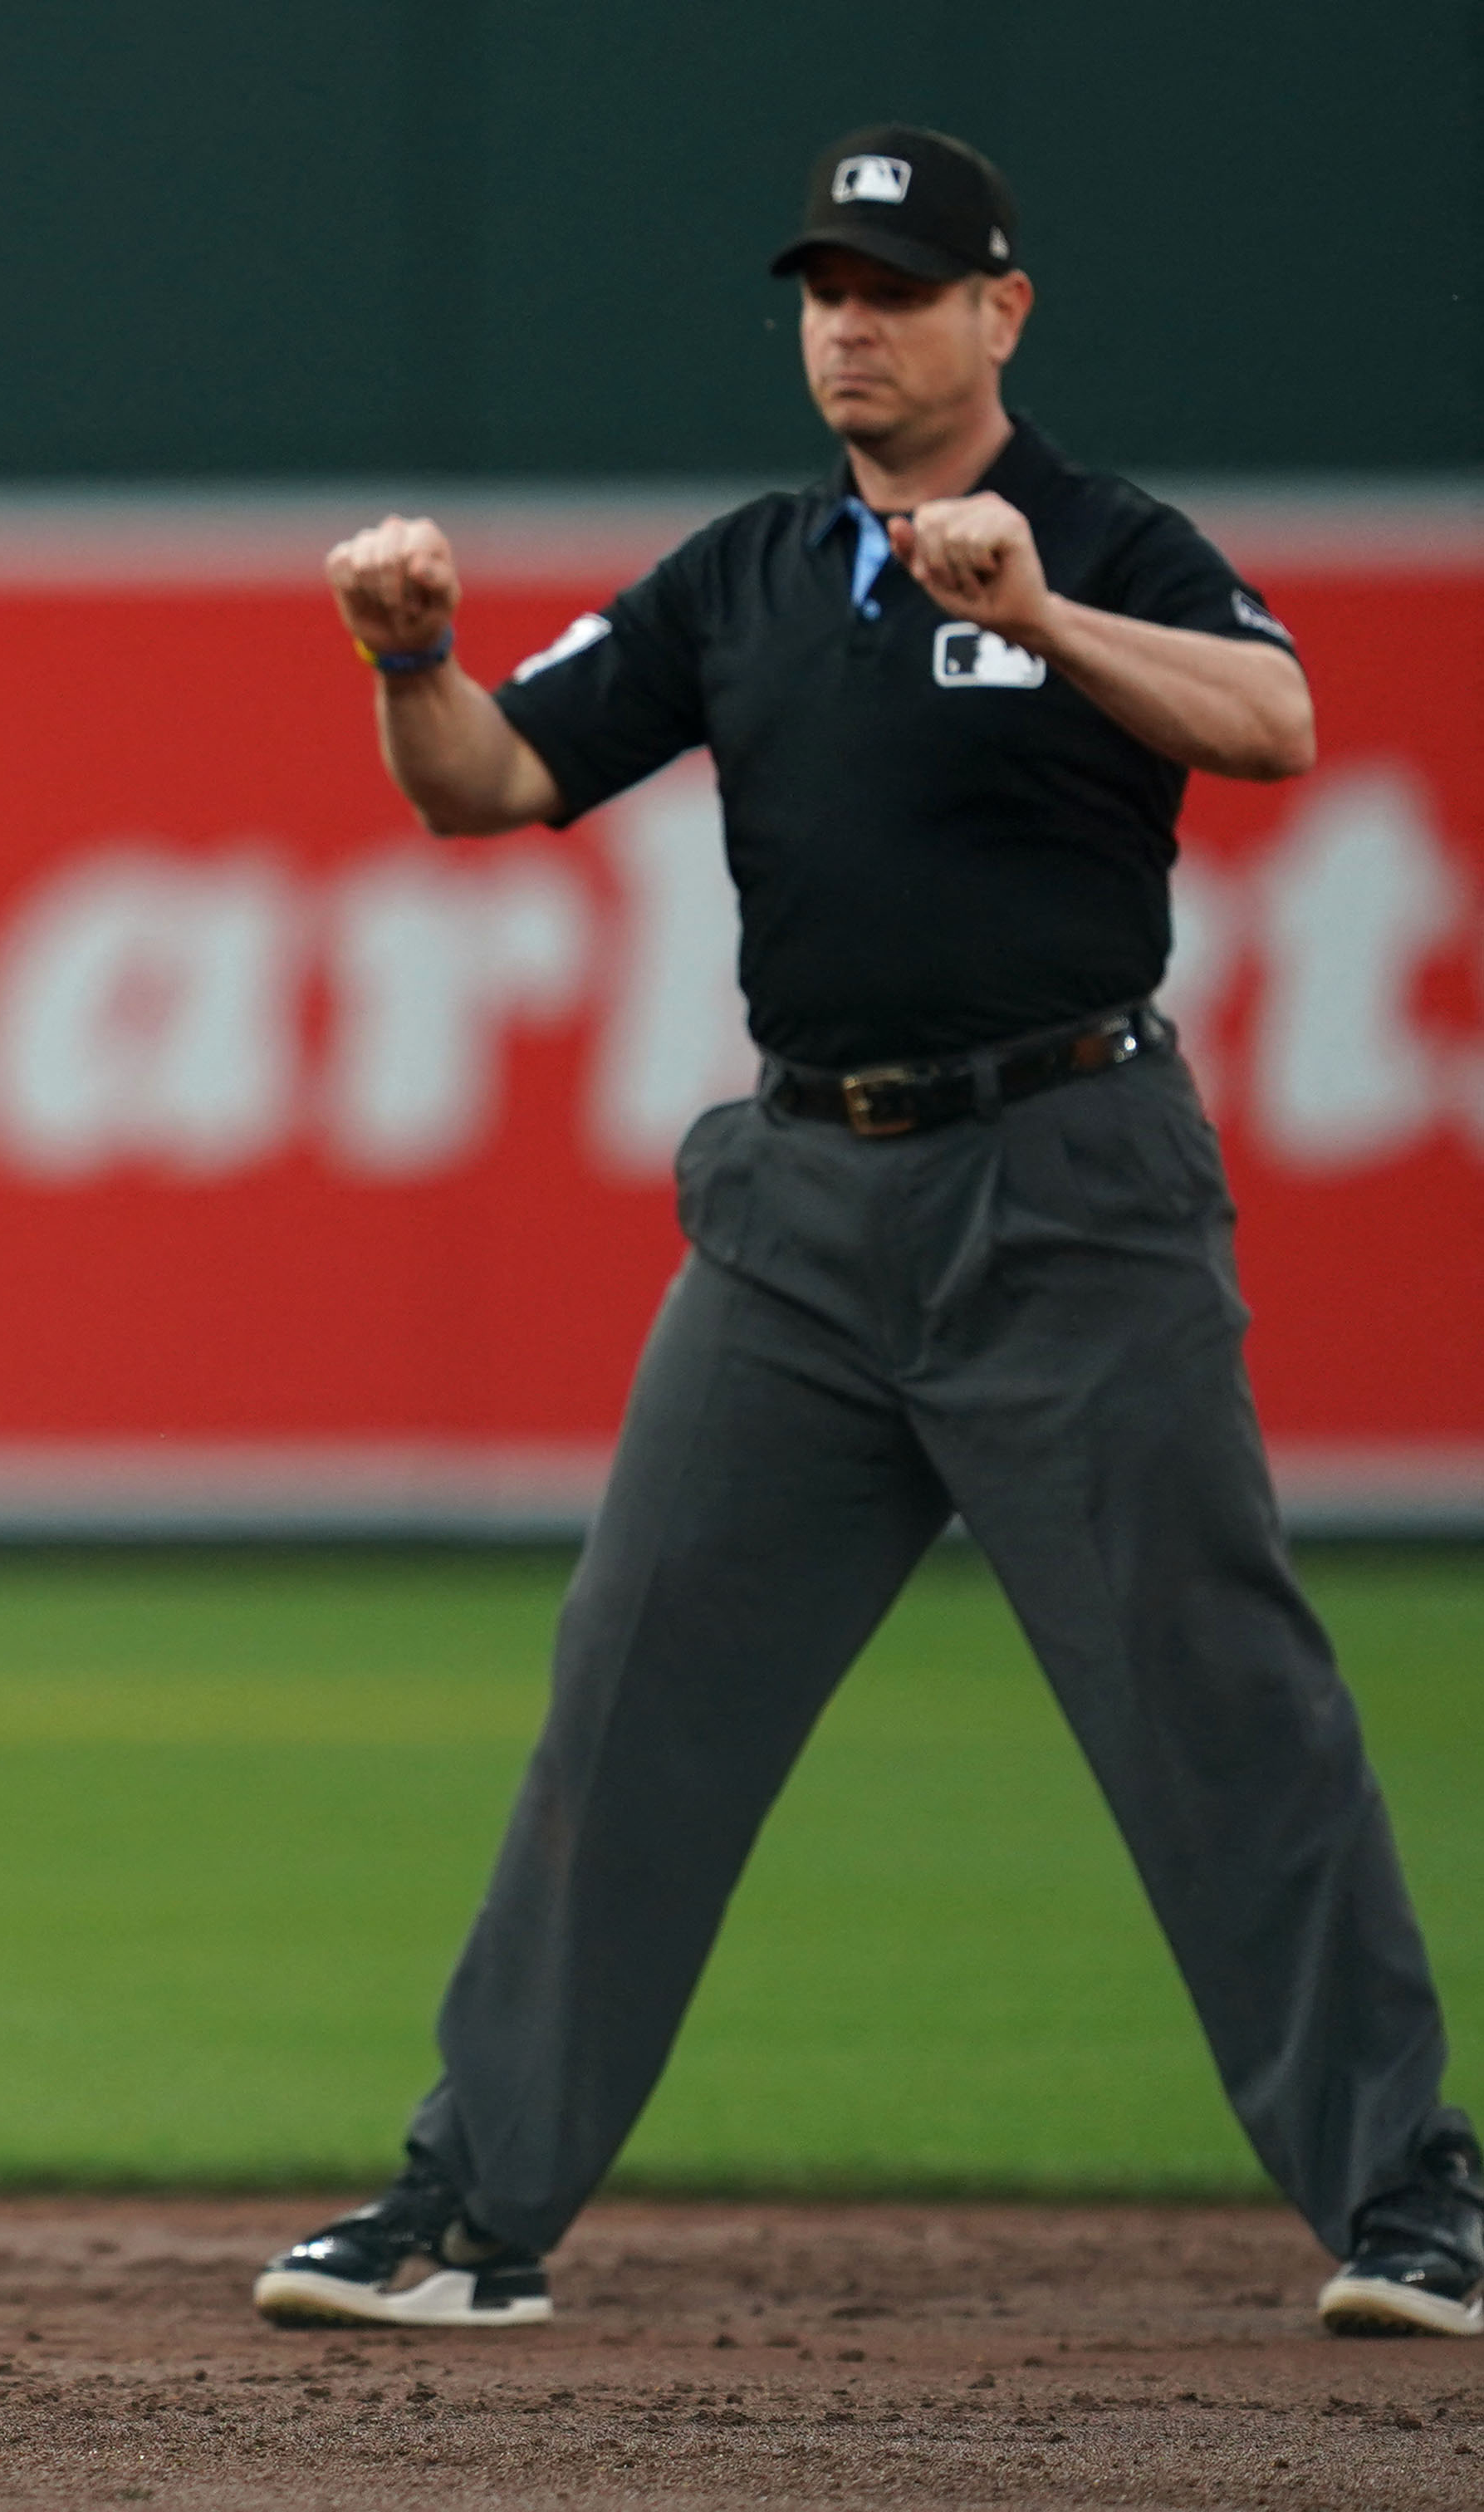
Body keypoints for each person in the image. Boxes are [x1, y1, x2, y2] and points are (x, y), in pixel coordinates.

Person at [262, 124, 1477, 2341]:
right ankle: (472, 2204)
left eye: (901, 287)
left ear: (1000, 315)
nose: (853, 321)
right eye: (827, 285)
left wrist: (1041, 614)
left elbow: (1282, 722)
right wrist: (409, 661)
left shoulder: (1111, 542)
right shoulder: (743, 574)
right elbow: (489, 787)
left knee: (1227, 1714)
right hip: (802, 1216)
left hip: (1073, 1196)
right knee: (632, 1702)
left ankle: (1412, 2201)